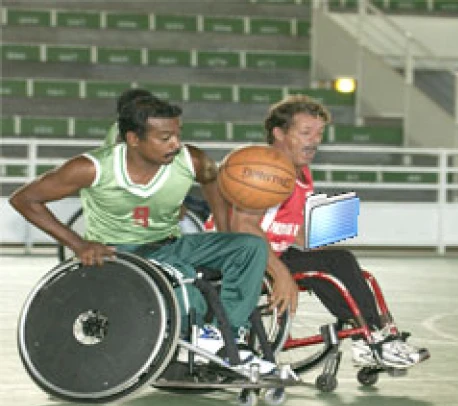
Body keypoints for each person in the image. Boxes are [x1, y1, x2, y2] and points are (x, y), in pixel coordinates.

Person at [9, 95, 275, 373]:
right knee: (181, 274)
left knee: (249, 247)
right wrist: (78, 244)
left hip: (170, 244)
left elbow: (212, 180)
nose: (175, 143)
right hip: (120, 253)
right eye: (165, 137)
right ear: (133, 139)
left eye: (177, 134)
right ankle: (206, 344)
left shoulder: (192, 160)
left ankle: (226, 336)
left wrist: (224, 230)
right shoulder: (92, 168)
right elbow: (24, 199)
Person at [227, 95, 430, 369]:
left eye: (319, 133)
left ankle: (372, 335)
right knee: (335, 264)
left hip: (271, 253)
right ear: (279, 133)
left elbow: (292, 228)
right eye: (305, 132)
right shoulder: (265, 171)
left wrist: (324, 243)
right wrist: (280, 273)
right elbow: (243, 228)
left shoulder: (301, 172)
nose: (314, 140)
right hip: (240, 259)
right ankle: (371, 339)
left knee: (338, 261)